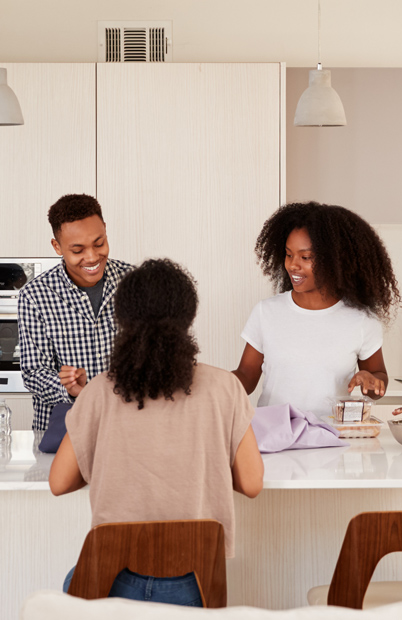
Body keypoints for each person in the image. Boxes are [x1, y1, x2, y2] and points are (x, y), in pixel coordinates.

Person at [49, 258, 264, 605]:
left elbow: (59, 482)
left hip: (109, 585)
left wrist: (105, 466)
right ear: (188, 317)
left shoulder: (100, 390)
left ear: (122, 318)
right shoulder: (225, 387)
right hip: (192, 588)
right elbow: (252, 484)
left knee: (69, 582)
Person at [233, 201, 402, 417]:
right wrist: (215, 382)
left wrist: (371, 382)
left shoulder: (361, 320)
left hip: (332, 437)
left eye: (305, 257)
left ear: (335, 261)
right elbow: (246, 377)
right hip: (276, 435)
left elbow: (378, 378)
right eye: (288, 254)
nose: (293, 265)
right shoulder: (266, 312)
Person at [18, 194, 132, 431]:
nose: (92, 257)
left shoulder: (134, 282)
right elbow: (34, 372)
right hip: (65, 430)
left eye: (99, 243)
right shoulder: (35, 296)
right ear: (57, 247)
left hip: (126, 428)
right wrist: (68, 388)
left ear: (106, 232)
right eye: (78, 250)